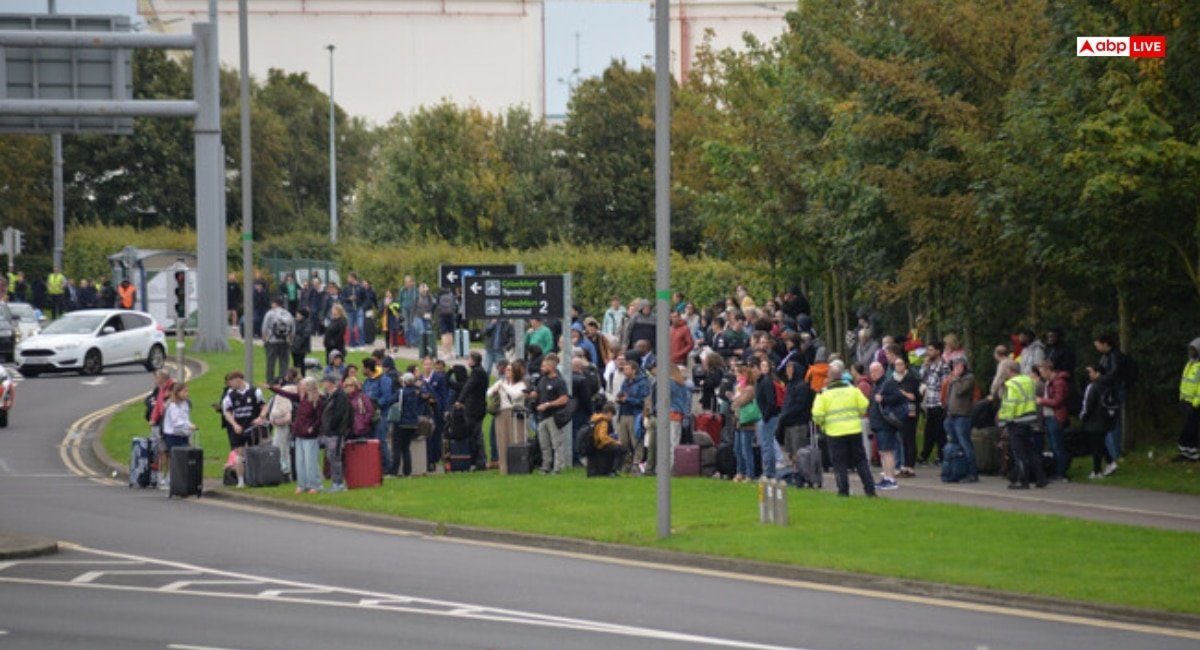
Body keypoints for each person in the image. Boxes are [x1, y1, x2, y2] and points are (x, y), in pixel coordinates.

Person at [812, 360, 875, 497]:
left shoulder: (824, 394)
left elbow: (817, 415)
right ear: (841, 376)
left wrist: (823, 424)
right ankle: (870, 490)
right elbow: (864, 405)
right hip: (854, 430)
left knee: (839, 464)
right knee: (861, 461)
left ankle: (843, 491)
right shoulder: (853, 390)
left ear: (828, 377)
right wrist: (856, 415)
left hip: (834, 433)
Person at [997, 359, 1047, 489]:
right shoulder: (1029, 381)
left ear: (1009, 371)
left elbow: (1010, 404)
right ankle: (1041, 478)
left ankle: (1023, 481)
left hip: (1016, 420)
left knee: (1019, 452)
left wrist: (1004, 421)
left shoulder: (1010, 384)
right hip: (1029, 418)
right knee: (1031, 450)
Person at [221, 371, 269, 488]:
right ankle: (241, 481)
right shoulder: (230, 395)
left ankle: (257, 478)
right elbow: (227, 412)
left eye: (231, 382)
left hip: (253, 427)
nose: (230, 385)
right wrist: (234, 424)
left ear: (239, 380)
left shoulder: (255, 391)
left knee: (256, 451)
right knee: (239, 454)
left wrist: (260, 417)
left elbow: (264, 406)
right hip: (239, 428)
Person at [531, 353, 570, 474]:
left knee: (556, 444)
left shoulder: (559, 381)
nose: (541, 368)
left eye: (544, 366)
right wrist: (530, 394)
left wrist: (548, 405)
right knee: (544, 444)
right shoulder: (542, 380)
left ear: (552, 367)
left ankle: (558, 467)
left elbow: (564, 399)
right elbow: (537, 393)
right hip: (542, 417)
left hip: (553, 416)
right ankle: (546, 466)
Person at [1093, 333, 1127, 474]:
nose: (1097, 348)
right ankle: (1111, 453)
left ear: (1106, 343)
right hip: (1108, 389)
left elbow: (1114, 373)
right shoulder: (1106, 356)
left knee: (1111, 422)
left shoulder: (1114, 356)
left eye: (1099, 345)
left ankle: (1114, 453)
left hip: (1113, 390)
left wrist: (1101, 377)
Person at [488, 360, 528, 475]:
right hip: (501, 412)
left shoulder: (521, 384)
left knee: (516, 438)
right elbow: (489, 393)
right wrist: (495, 389)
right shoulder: (502, 382)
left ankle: (518, 466)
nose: (506, 371)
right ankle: (504, 468)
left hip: (515, 413)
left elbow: (515, 395)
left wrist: (503, 386)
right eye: (506, 370)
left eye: (509, 370)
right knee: (502, 440)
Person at [869, 361, 904, 490]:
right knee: (882, 452)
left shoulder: (887, 383)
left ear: (882, 371)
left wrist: (883, 399)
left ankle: (891, 478)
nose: (873, 374)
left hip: (885, 423)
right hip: (878, 423)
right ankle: (886, 477)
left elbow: (899, 398)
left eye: (875, 371)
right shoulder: (876, 385)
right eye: (871, 371)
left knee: (887, 451)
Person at [943, 358, 979, 482]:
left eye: (957, 366)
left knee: (965, 444)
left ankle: (972, 472)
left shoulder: (968, 378)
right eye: (953, 366)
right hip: (951, 415)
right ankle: (956, 469)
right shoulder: (954, 379)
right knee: (954, 444)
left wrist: (956, 378)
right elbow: (948, 394)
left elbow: (959, 391)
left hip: (962, 416)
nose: (954, 369)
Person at [453, 351, 490, 470]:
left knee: (475, 435)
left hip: (474, 408)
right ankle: (479, 460)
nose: (468, 361)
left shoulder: (476, 373)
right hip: (479, 406)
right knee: (476, 434)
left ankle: (479, 461)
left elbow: (468, 387)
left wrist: (460, 400)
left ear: (473, 361)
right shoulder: (481, 371)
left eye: (469, 359)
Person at [614, 353, 649, 474]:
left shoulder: (642, 383)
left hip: (635, 414)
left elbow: (643, 401)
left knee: (636, 441)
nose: (624, 370)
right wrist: (620, 398)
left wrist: (628, 399)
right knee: (623, 441)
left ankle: (636, 464)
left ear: (634, 370)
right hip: (623, 413)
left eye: (627, 369)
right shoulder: (625, 382)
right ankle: (626, 463)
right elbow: (622, 392)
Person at [1080, 365, 1116, 479]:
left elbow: (1088, 404)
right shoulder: (1107, 385)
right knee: (1100, 443)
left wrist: (1083, 416)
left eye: (1091, 372)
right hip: (1106, 419)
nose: (1089, 375)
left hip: (1094, 420)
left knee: (1096, 446)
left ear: (1098, 373)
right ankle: (1110, 463)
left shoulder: (1093, 386)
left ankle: (1097, 471)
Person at [1036, 360, 1071, 479]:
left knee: (1057, 445)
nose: (1041, 374)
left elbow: (1058, 401)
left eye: (1041, 371)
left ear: (1048, 370)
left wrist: (1042, 401)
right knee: (1052, 445)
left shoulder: (1059, 382)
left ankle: (1061, 471)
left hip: (1055, 416)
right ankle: (1056, 470)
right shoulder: (1048, 382)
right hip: (1048, 416)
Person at [917, 341, 950, 466]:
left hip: (938, 402)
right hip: (929, 402)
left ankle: (942, 455)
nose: (929, 353)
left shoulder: (944, 366)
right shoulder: (929, 365)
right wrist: (924, 366)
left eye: (931, 350)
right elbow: (921, 377)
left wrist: (943, 401)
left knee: (940, 431)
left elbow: (945, 384)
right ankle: (925, 454)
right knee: (929, 430)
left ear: (938, 351)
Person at [158, 382, 195, 489]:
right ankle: (169, 480)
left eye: (187, 391)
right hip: (173, 435)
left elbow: (186, 418)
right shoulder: (172, 405)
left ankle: (179, 481)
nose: (186, 393)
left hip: (183, 434)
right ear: (177, 392)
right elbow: (176, 422)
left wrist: (189, 427)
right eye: (184, 391)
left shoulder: (185, 404)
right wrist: (189, 426)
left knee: (183, 458)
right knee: (174, 459)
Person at [361, 358, 395, 474]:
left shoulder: (384, 379)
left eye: (363, 367)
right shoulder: (367, 381)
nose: (362, 370)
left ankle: (387, 468)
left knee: (380, 440)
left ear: (367, 368)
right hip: (370, 416)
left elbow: (387, 397)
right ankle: (375, 466)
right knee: (372, 441)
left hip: (382, 416)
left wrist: (375, 405)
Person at [319, 373, 351, 492]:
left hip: (335, 433)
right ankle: (335, 482)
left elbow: (339, 414)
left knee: (335, 457)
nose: (323, 384)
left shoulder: (339, 396)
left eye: (324, 382)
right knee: (330, 457)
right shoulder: (330, 396)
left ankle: (339, 483)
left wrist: (332, 427)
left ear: (330, 383)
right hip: (329, 432)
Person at [729, 361, 760, 482]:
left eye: (739, 374)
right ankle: (740, 471)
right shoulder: (739, 388)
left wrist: (735, 398)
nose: (737, 377)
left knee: (746, 449)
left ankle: (749, 474)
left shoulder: (749, 389)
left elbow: (739, 402)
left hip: (747, 423)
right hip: (738, 422)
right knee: (737, 449)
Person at [264, 369, 298, 477]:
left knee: (282, 449)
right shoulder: (296, 390)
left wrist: (275, 420)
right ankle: (290, 472)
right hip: (292, 425)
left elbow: (287, 415)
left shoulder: (284, 393)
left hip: (284, 426)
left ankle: (285, 471)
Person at [387, 373, 423, 476]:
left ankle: (394, 471)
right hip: (413, 423)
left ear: (405, 382)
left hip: (401, 422)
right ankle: (407, 471)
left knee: (397, 447)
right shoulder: (416, 392)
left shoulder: (401, 392)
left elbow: (390, 401)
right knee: (406, 448)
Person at [144, 370, 175, 488]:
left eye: (156, 378)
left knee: (170, 453)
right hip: (161, 425)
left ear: (163, 378)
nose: (155, 380)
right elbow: (157, 407)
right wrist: (152, 419)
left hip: (171, 426)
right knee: (162, 452)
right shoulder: (161, 389)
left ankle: (170, 478)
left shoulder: (173, 387)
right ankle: (161, 478)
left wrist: (171, 396)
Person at [891, 356, 920, 477]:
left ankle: (910, 466)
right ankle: (904, 465)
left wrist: (901, 393)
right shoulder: (893, 379)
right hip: (899, 411)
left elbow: (913, 396)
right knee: (902, 439)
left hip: (910, 410)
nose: (899, 367)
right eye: (896, 365)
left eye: (901, 364)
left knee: (910, 439)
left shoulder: (911, 378)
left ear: (905, 365)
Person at [755, 359, 781, 479]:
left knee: (767, 444)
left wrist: (765, 417)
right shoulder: (762, 381)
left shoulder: (766, 382)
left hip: (768, 417)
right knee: (766, 444)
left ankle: (769, 471)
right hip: (766, 416)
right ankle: (769, 470)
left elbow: (770, 402)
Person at [1176, 338, 1200, 463]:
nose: (1191, 352)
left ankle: (1186, 450)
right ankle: (1190, 453)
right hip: (1185, 401)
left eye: (1193, 349)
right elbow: (1184, 382)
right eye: (1190, 349)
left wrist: (1196, 402)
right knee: (1191, 428)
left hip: (1194, 403)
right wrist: (1181, 398)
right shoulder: (1189, 364)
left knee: (1188, 429)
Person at [261, 298, 295, 383]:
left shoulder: (270, 313)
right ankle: (282, 380)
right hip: (284, 341)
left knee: (271, 362)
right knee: (284, 363)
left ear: (274, 304)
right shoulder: (288, 314)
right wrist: (290, 340)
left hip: (272, 341)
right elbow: (292, 329)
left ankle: (270, 380)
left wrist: (264, 340)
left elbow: (264, 328)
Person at [586, 403, 625, 477]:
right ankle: (613, 471)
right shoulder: (604, 422)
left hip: (591, 444)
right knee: (620, 448)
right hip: (599, 445)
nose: (612, 418)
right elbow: (602, 437)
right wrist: (615, 442)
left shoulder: (595, 417)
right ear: (609, 413)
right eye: (612, 416)